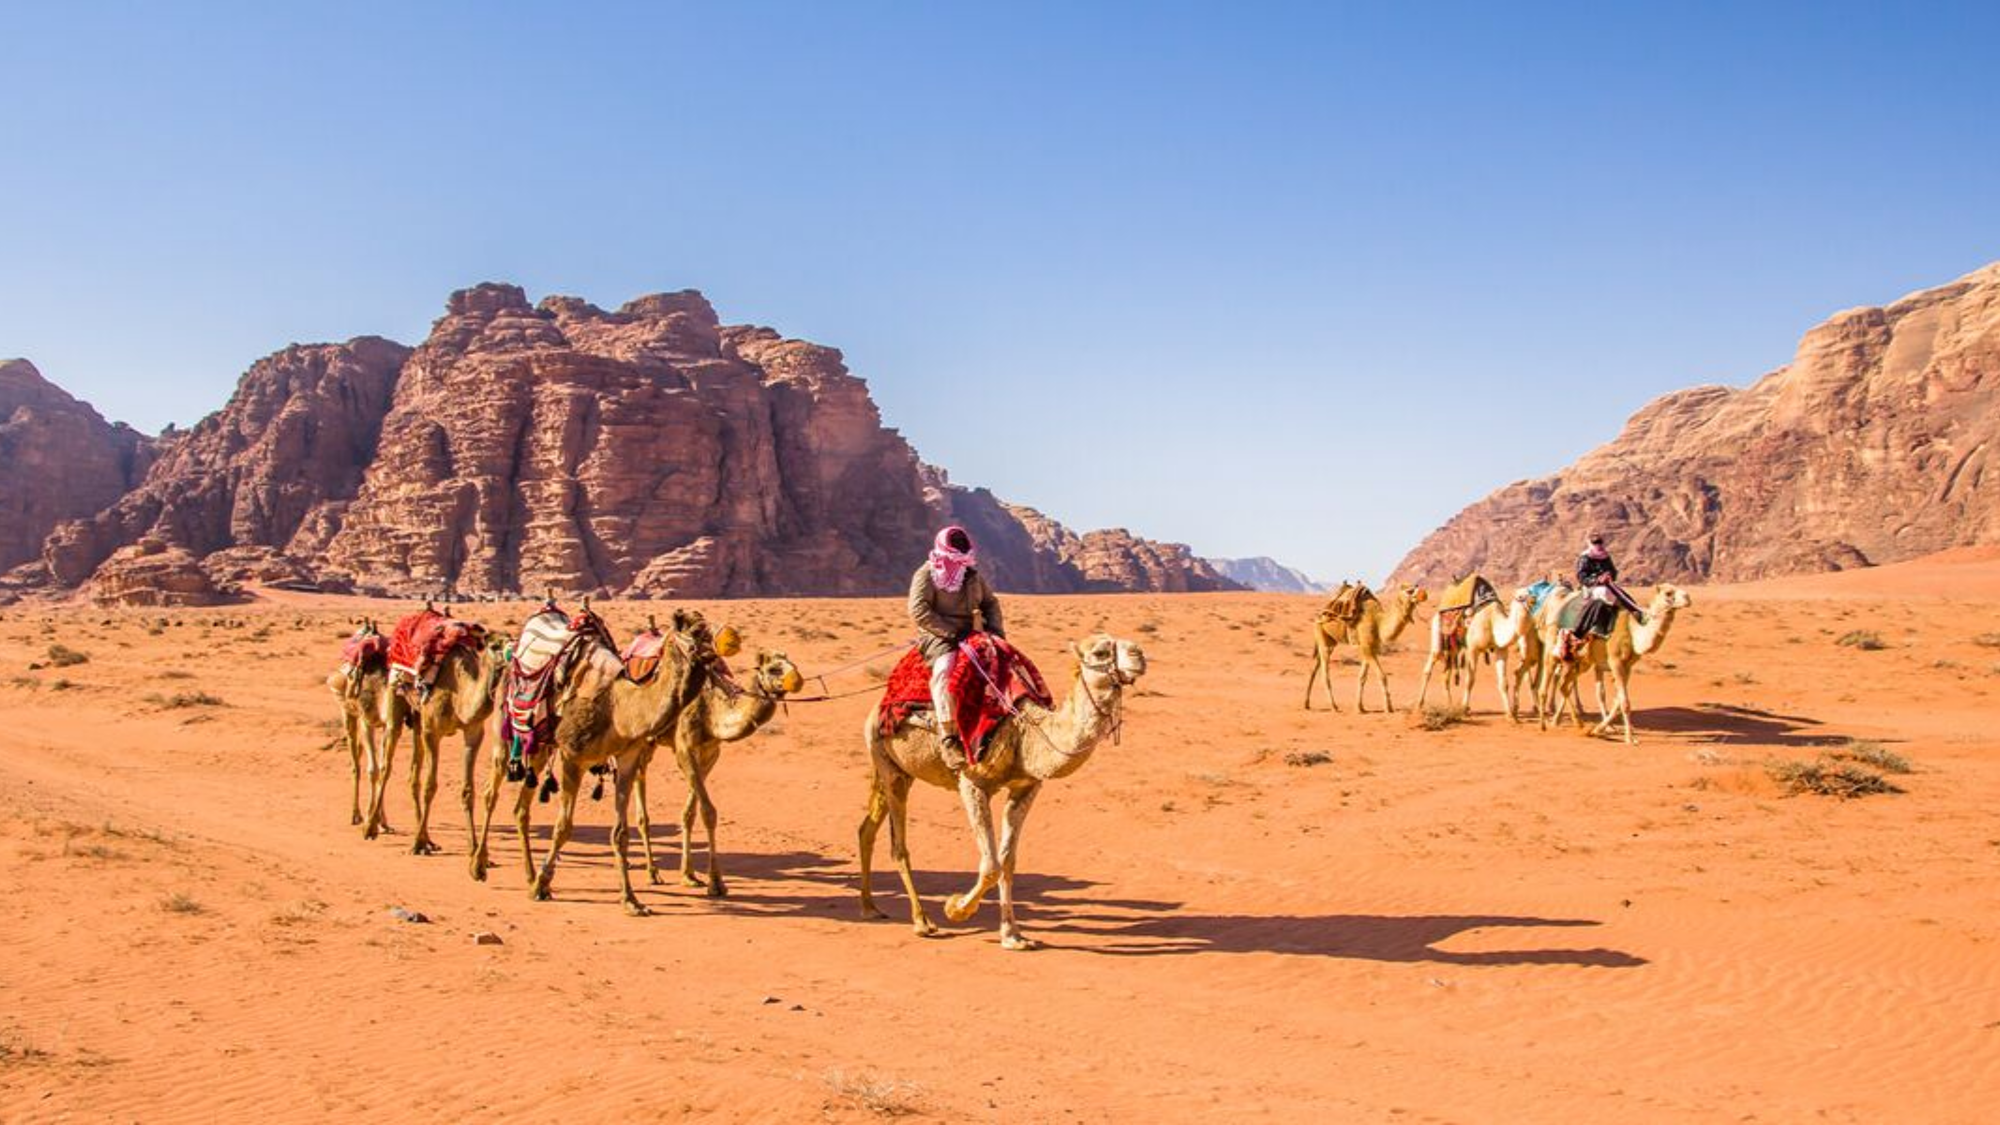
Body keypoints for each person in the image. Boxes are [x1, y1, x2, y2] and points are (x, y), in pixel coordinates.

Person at [908, 525, 1004, 770]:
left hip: (974, 632)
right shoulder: (927, 574)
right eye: (956, 544)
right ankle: (949, 736)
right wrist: (951, 633)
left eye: (963, 543)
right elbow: (919, 611)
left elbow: (990, 603)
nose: (960, 548)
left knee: (1006, 662)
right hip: (938, 636)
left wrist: (995, 632)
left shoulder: (970, 574)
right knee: (945, 669)